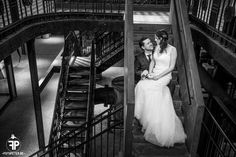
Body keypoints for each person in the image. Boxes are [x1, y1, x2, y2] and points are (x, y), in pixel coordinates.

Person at [135, 30, 186, 147]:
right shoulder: (157, 47)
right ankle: (147, 118)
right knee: (141, 85)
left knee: (155, 90)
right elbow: (153, 61)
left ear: (161, 39)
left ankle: (157, 123)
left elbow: (171, 67)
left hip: (165, 75)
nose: (155, 41)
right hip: (155, 72)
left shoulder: (172, 50)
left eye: (156, 39)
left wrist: (158, 76)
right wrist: (151, 72)